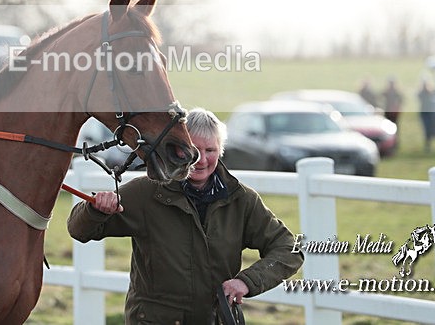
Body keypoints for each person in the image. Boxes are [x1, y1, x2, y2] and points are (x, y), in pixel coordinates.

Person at [67, 108, 303, 324]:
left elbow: (289, 249)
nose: (201, 159)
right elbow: (79, 230)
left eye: (210, 150)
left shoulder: (241, 200)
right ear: (177, 147)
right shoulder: (147, 193)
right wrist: (95, 210)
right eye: (193, 149)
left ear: (220, 151)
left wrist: (247, 282)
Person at [417, 79, 435, 152]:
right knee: (426, 128)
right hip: (424, 113)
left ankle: (428, 144)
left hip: (430, 113)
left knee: (430, 129)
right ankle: (427, 144)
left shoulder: (430, 92)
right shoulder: (421, 93)